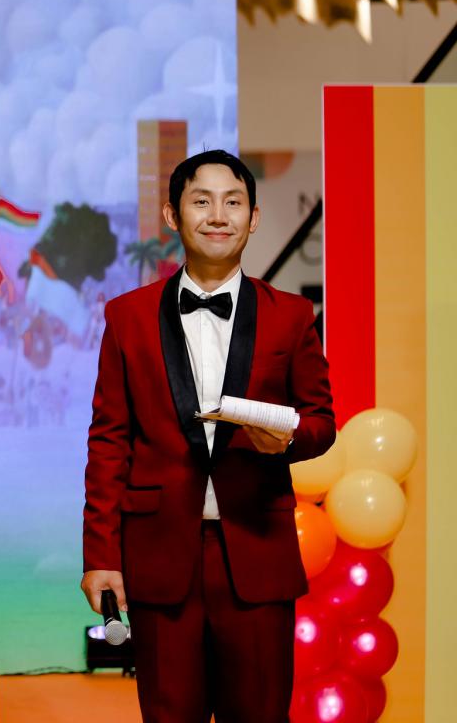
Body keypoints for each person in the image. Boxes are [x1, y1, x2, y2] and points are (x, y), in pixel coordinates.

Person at [81, 150, 335, 722]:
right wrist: (100, 556)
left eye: (233, 202)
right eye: (201, 201)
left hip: (257, 551)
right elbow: (108, 442)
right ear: (172, 215)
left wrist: (288, 440)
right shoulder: (126, 317)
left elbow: (321, 421)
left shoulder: (292, 316)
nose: (218, 215)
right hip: (159, 556)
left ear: (254, 217)